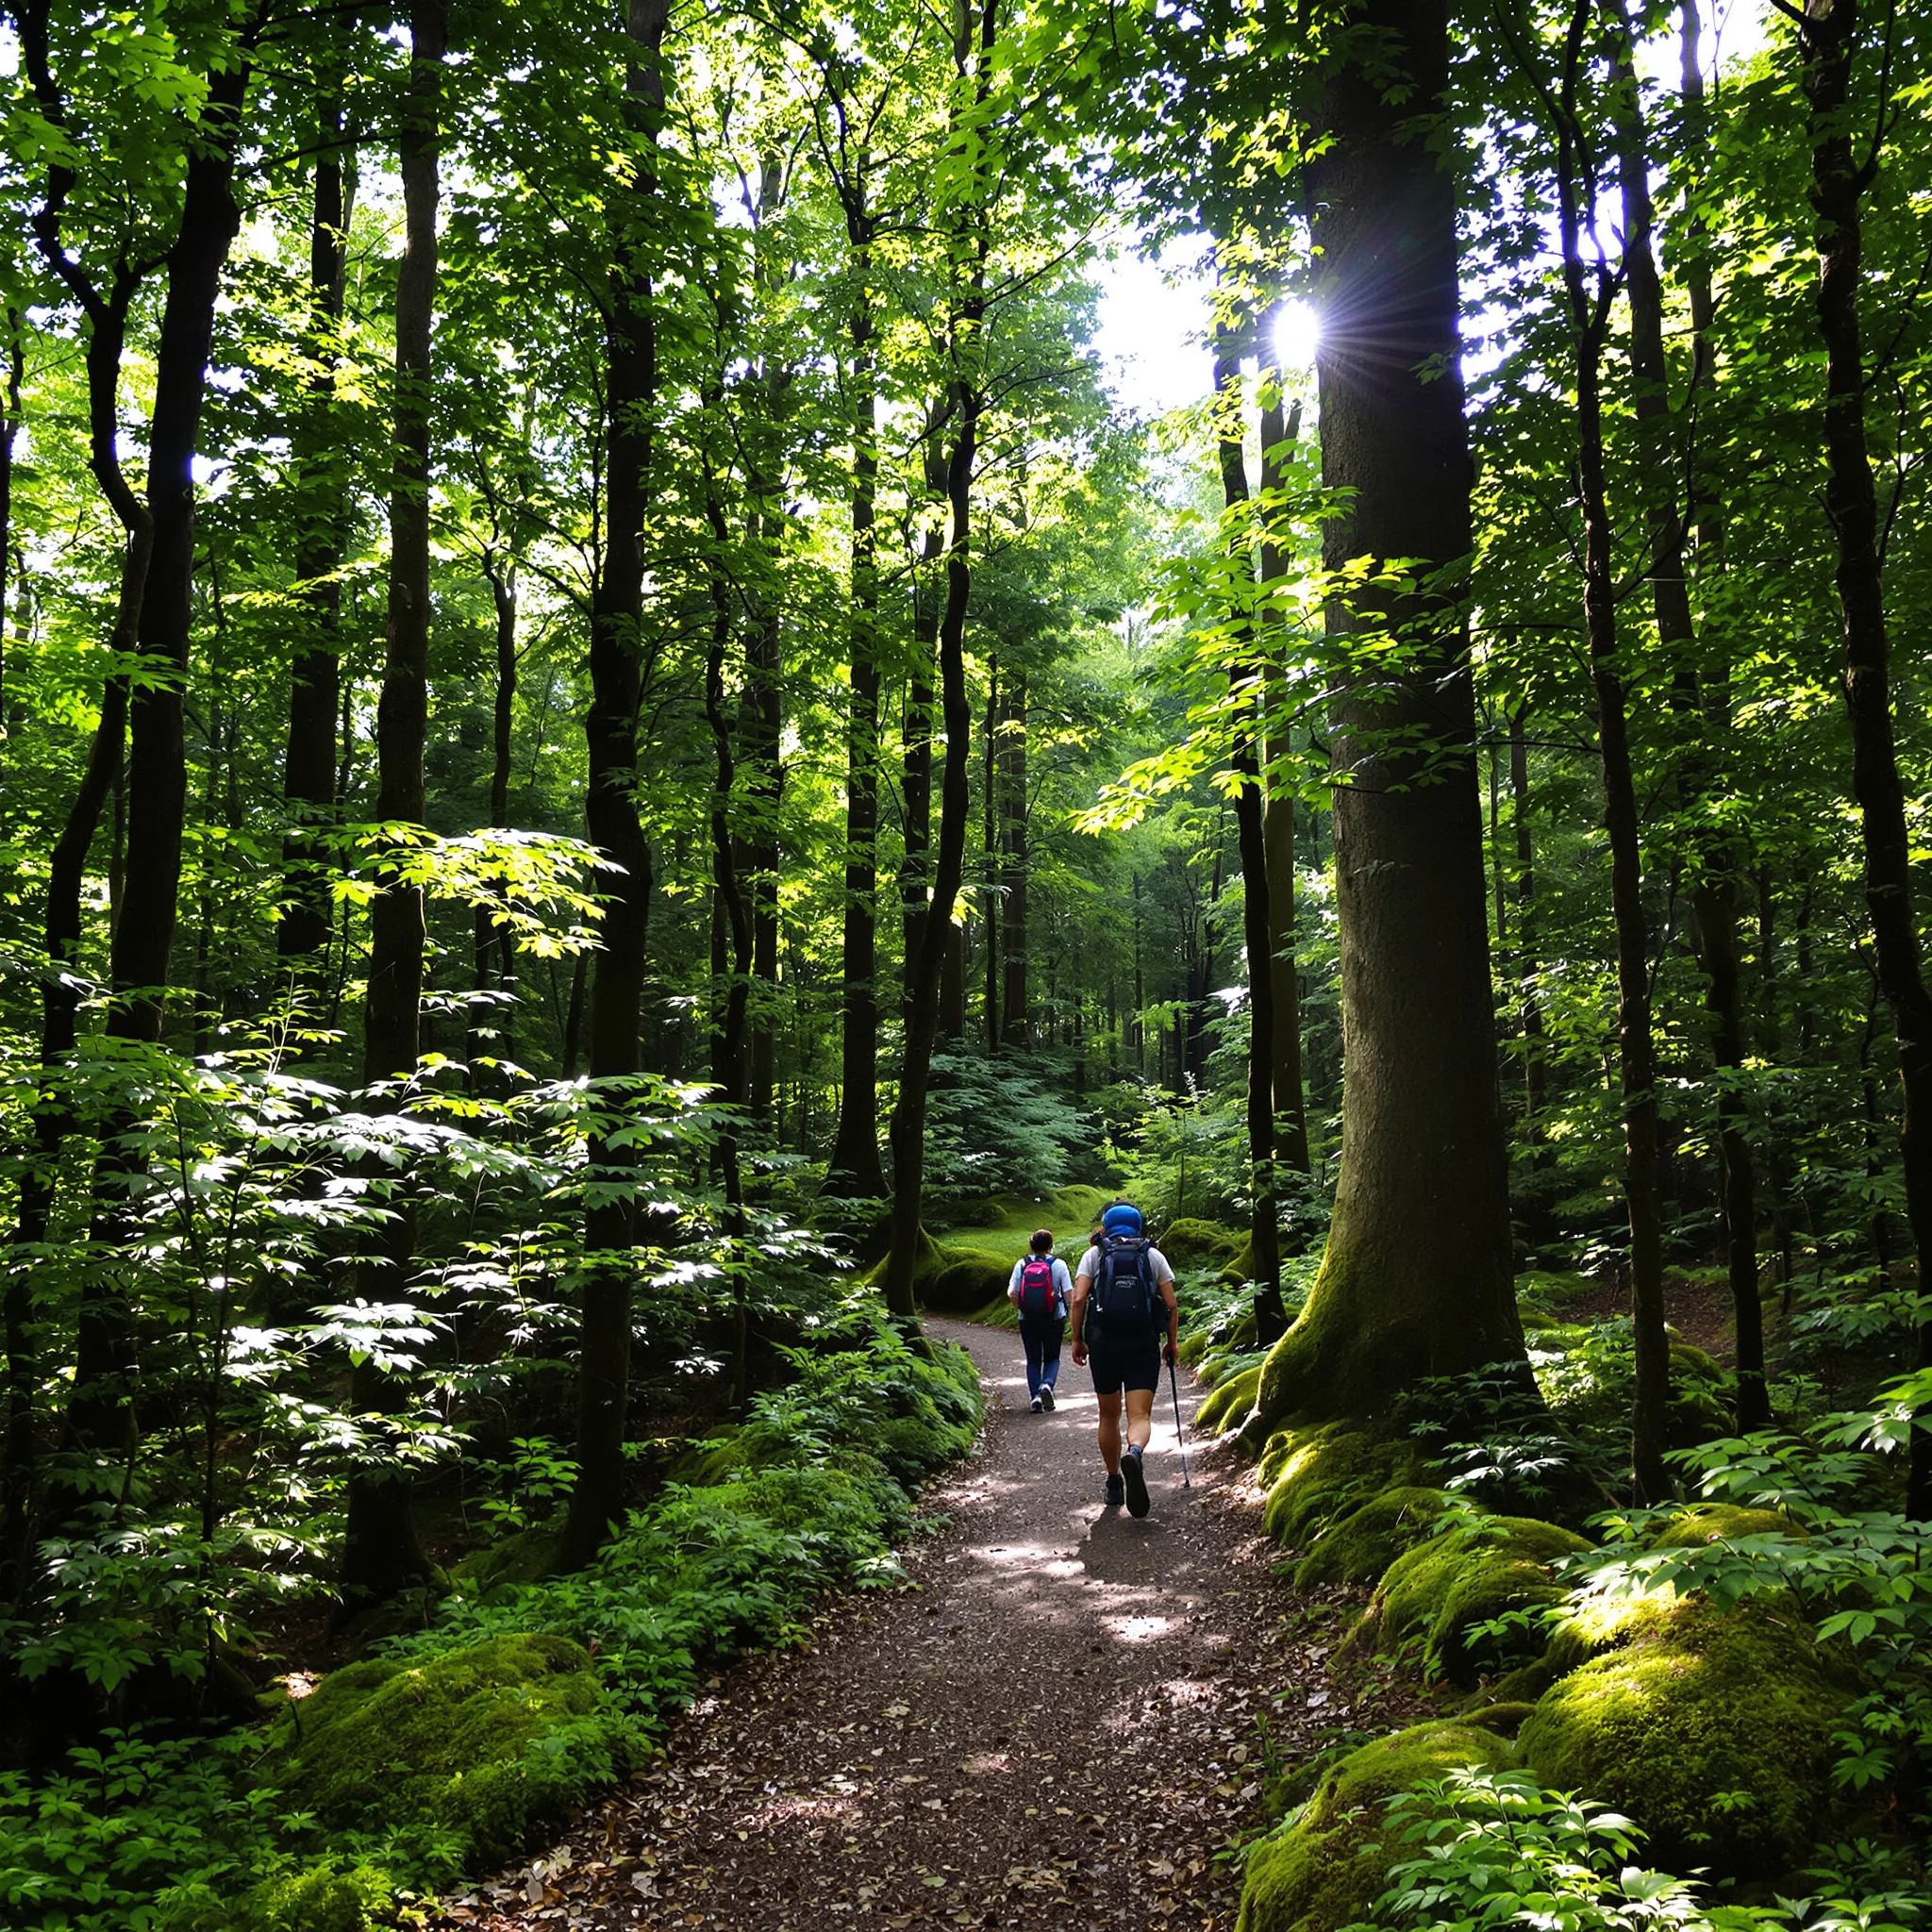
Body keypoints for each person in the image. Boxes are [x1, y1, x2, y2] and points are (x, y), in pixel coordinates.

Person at [1069, 1200, 1178, 1517]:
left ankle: (1114, 1481)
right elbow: (1171, 1305)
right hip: (1142, 1341)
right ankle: (1135, 1451)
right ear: (1138, 1227)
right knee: (1139, 1415)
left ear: (1106, 1228)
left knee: (1108, 1415)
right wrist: (1172, 1343)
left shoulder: (1094, 1254)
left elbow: (1078, 1298)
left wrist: (1077, 1339)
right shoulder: (1152, 1255)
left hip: (1104, 1342)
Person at [1007, 1228, 1073, 1412]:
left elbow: (1012, 1293)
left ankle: (1035, 1398)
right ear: (1051, 1245)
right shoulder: (1059, 1265)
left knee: (1033, 1359)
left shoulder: (1022, 1264)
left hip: (1027, 1319)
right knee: (1052, 1358)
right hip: (1054, 1318)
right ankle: (1047, 1384)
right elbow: (1069, 1294)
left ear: (1032, 1245)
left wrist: (1022, 1307)